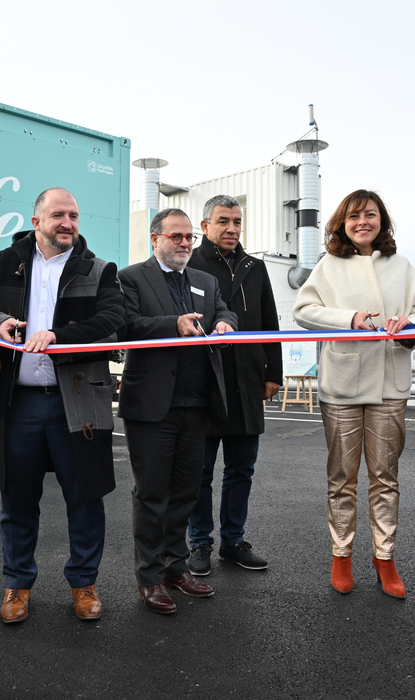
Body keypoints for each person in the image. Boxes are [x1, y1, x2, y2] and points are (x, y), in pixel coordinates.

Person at [0, 187, 124, 624]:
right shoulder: (5, 263)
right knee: (16, 501)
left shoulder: (99, 269)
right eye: (57, 215)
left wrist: (57, 336)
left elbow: (113, 321)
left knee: (86, 499)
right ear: (37, 222)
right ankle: (17, 585)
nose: (67, 223)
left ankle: (84, 583)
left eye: (73, 215)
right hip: (19, 403)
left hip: (78, 401)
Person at [293, 190, 415, 599]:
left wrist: (410, 326)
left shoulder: (402, 266)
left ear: (382, 222)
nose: (362, 222)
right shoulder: (329, 265)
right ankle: (342, 555)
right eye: (354, 217)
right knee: (342, 478)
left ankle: (384, 558)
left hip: (389, 384)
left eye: (370, 215)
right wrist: (348, 319)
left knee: (385, 478)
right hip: (342, 387)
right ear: (342, 223)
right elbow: (303, 311)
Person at [117, 208, 237, 614]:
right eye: (176, 237)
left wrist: (225, 325)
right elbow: (126, 326)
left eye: (189, 237)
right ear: (156, 239)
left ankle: (175, 567)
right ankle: (149, 577)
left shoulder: (206, 280)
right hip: (152, 406)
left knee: (186, 492)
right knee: (152, 495)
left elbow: (225, 311)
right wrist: (174, 324)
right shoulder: (132, 277)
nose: (185, 243)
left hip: (197, 404)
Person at [185, 194, 280, 575]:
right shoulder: (189, 265)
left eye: (237, 221)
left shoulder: (254, 267)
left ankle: (234, 540)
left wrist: (273, 372)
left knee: (242, 468)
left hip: (247, 382)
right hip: (204, 383)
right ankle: (200, 544)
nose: (231, 228)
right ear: (204, 226)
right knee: (200, 471)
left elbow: (270, 322)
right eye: (223, 221)